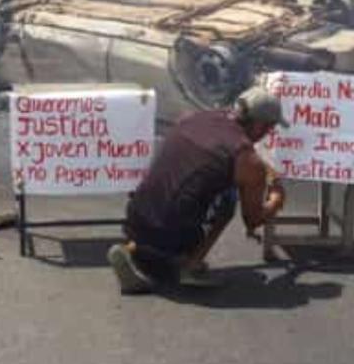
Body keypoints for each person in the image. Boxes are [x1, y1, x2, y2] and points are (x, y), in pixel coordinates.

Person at [107, 87, 289, 294]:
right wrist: (276, 197)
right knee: (228, 198)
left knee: (184, 179)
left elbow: (213, 154)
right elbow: (253, 219)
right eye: (269, 128)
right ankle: (189, 266)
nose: (268, 133)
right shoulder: (246, 158)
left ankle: (133, 249)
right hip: (171, 232)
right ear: (258, 124)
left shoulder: (196, 117)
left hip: (136, 216)